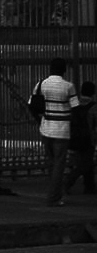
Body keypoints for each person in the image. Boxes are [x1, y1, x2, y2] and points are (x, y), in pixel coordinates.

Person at [34, 57, 80, 207]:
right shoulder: (68, 87)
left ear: (50, 69)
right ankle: (54, 197)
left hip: (46, 128)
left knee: (51, 163)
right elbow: (76, 109)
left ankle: (53, 194)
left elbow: (32, 105)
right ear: (64, 70)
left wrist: (40, 120)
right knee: (59, 166)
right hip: (62, 130)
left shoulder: (41, 84)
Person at [63, 80, 95, 196]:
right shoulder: (93, 107)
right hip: (88, 139)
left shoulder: (75, 105)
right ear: (93, 92)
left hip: (75, 137)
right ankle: (67, 183)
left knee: (87, 162)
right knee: (85, 164)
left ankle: (90, 186)